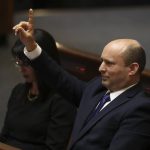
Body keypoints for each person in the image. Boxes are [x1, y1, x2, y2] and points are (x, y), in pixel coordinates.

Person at [13, 9, 150, 150]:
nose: (101, 68)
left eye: (109, 63)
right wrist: (31, 46)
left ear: (132, 69)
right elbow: (60, 78)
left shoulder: (140, 109)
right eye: (102, 61)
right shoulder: (97, 87)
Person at [0, 28, 77, 150]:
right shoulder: (18, 91)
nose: (21, 69)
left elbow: (54, 148)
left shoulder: (62, 100)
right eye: (18, 62)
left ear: (44, 61)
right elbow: (4, 137)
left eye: (26, 63)